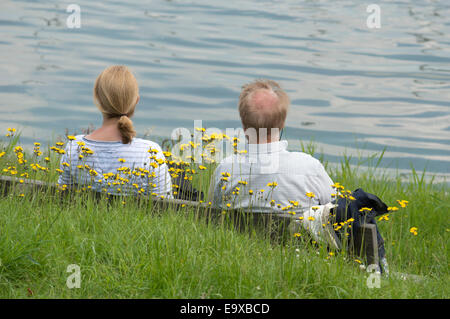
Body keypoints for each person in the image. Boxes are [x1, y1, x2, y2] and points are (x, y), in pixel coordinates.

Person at [209, 79, 388, 273]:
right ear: (283, 122)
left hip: (242, 263)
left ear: (244, 126)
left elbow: (212, 213)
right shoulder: (308, 166)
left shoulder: (226, 168)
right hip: (304, 265)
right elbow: (337, 213)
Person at [58, 65, 172, 197]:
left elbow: (63, 197)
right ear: (136, 101)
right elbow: (165, 205)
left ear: (98, 100)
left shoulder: (75, 147)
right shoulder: (150, 153)